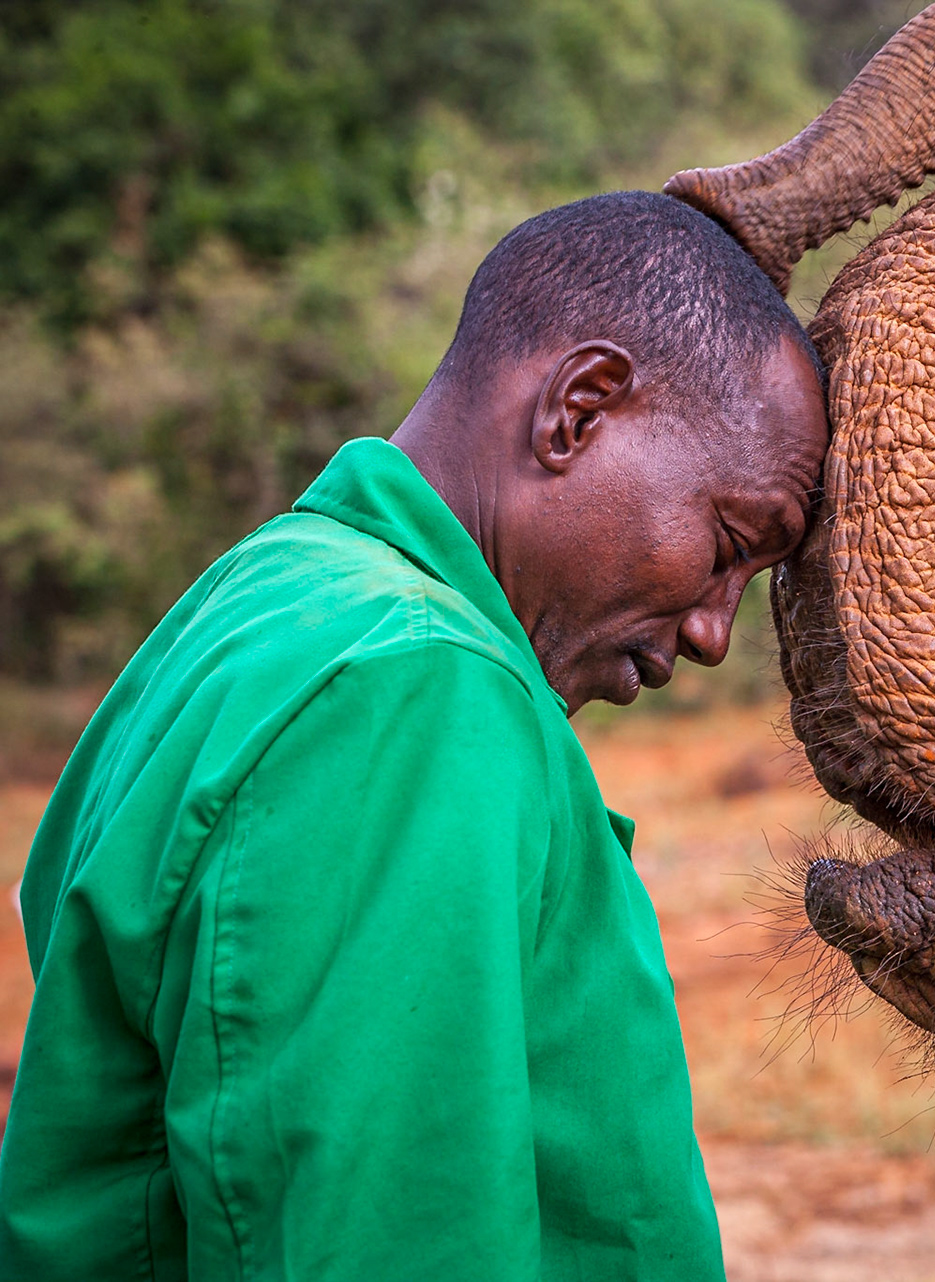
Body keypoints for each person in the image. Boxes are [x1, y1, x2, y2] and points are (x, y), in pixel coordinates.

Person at [0, 190, 829, 1280]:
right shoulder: (416, 682)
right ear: (579, 410)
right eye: (728, 543)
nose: (718, 631)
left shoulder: (260, 600)